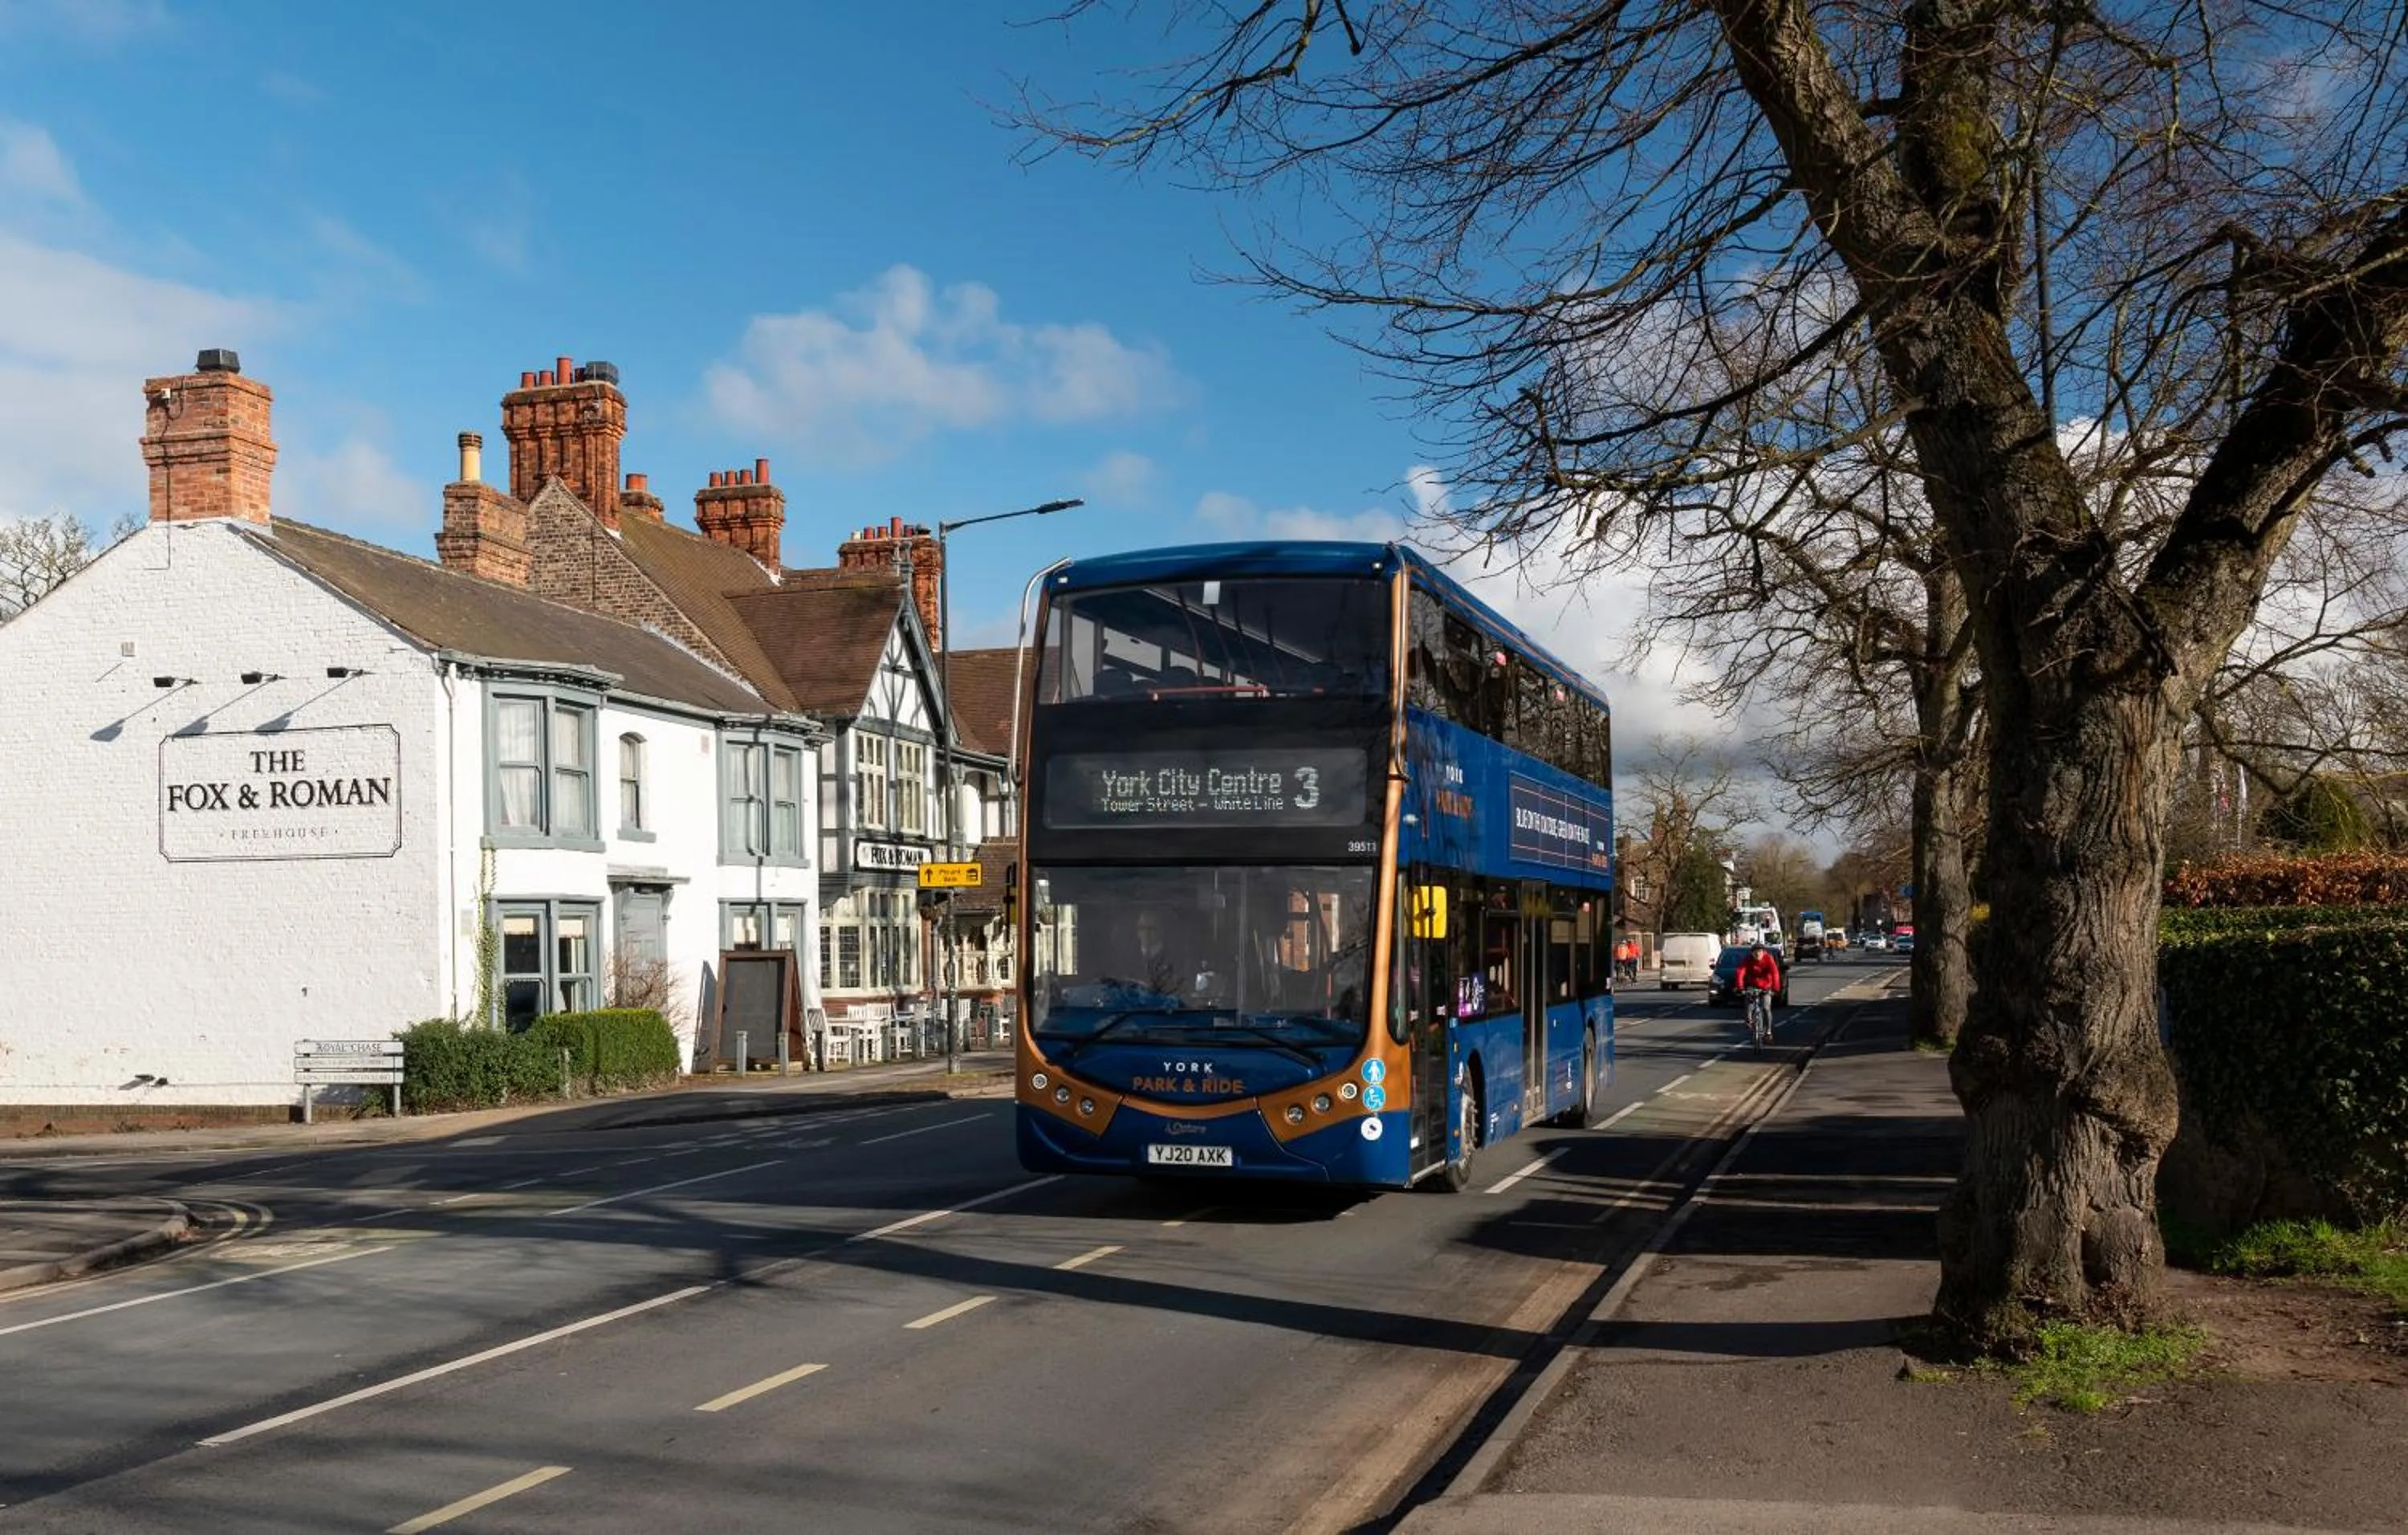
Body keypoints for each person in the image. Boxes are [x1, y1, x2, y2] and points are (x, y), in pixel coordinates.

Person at [1735, 941, 1782, 1043]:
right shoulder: (1748, 959)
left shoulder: (1768, 958)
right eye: (1755, 952)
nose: (1757, 954)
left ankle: (1768, 1032)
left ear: (1763, 952)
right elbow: (1741, 971)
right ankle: (1749, 1019)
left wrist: (1776, 988)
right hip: (1752, 984)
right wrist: (1740, 987)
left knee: (1766, 1008)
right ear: (1752, 953)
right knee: (1749, 1002)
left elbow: (1775, 973)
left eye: (1760, 952)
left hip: (1766, 985)